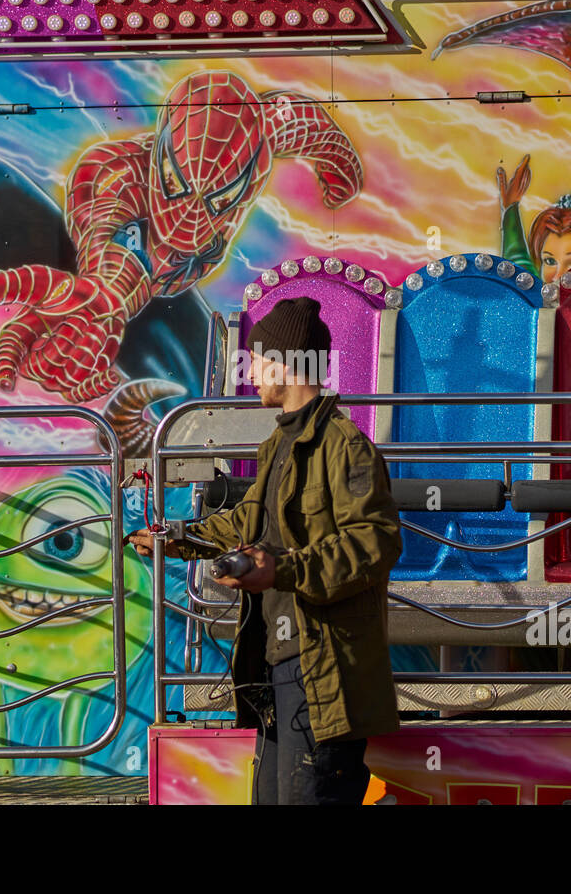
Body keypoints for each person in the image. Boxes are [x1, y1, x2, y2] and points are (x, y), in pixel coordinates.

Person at [127, 295, 403, 805]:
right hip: (276, 664)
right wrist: (179, 540)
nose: (250, 371)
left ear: (284, 363)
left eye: (256, 359)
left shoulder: (346, 447)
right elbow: (247, 520)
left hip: (321, 672)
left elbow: (376, 541)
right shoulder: (276, 446)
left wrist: (283, 570)